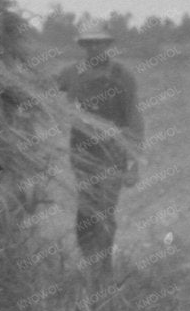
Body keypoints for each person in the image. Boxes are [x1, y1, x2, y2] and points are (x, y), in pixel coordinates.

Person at [55, 30, 144, 275]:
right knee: (85, 208)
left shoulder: (122, 75)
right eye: (90, 44)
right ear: (84, 46)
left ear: (107, 44)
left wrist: (134, 163)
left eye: (100, 43)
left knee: (105, 209)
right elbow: (44, 89)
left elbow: (133, 116)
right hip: (82, 149)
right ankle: (88, 264)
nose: (95, 48)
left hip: (114, 152)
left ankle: (103, 269)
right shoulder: (72, 73)